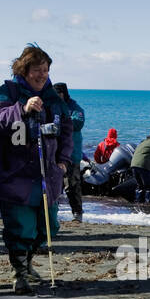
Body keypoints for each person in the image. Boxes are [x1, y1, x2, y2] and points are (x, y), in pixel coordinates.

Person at [0, 43, 73, 295]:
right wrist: (21, 109)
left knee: (49, 227)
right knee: (20, 227)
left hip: (48, 175)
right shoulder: (6, 92)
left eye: (45, 70)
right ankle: (19, 271)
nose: (41, 75)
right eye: (36, 70)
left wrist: (64, 161)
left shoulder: (54, 99)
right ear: (24, 71)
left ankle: (28, 262)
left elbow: (66, 130)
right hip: (16, 177)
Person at [53, 82, 85, 221]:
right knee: (53, 185)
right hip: (53, 153)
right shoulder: (52, 106)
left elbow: (78, 122)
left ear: (65, 93)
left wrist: (62, 121)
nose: (58, 96)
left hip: (72, 154)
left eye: (60, 93)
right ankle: (52, 213)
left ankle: (77, 212)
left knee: (72, 185)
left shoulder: (75, 108)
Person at [130, 129, 150, 205]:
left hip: (133, 165)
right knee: (148, 187)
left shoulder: (143, 142)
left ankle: (138, 203)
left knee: (139, 186)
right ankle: (148, 205)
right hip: (144, 166)